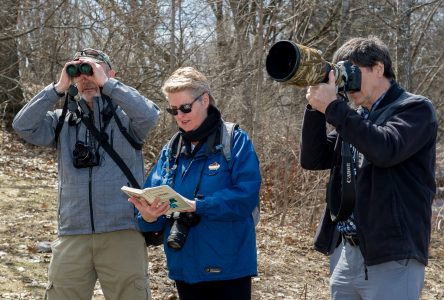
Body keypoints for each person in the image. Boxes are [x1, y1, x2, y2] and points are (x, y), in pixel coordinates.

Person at [13, 48, 160, 299]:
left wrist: (108, 84)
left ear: (110, 74)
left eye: (93, 70)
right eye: (79, 73)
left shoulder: (126, 120)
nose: (86, 78)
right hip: (73, 234)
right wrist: (58, 87)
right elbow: (23, 125)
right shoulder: (62, 122)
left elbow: (150, 115)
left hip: (121, 231)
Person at [300, 36, 437, 300]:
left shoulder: (415, 109)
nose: (348, 83)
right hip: (347, 253)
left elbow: (385, 149)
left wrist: (335, 108)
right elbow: (313, 158)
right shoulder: (356, 118)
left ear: (378, 68)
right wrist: (317, 108)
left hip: (392, 254)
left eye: (352, 72)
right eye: (343, 75)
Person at [129, 67, 261, 300]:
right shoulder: (171, 150)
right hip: (184, 268)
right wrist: (148, 217)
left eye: (186, 107)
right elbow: (151, 201)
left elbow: (246, 196)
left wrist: (197, 206)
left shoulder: (235, 140)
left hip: (228, 269)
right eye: (173, 109)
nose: (180, 115)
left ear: (205, 100)